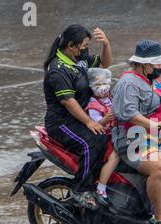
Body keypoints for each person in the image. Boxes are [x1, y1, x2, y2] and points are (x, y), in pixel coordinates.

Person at [112, 40, 161, 224]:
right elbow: (129, 114)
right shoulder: (128, 83)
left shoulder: (153, 80)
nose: (160, 67)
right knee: (160, 167)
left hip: (155, 133)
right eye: (157, 64)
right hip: (131, 138)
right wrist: (155, 126)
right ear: (144, 65)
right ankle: (159, 215)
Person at [43, 24, 113, 209]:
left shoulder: (78, 58)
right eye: (83, 46)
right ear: (71, 45)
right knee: (93, 142)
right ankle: (81, 190)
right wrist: (90, 122)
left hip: (80, 115)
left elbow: (105, 64)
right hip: (62, 122)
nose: (85, 50)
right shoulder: (58, 69)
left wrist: (106, 44)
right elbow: (68, 101)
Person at [85, 67, 120, 207]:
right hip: (106, 137)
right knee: (116, 155)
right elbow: (95, 124)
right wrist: (106, 119)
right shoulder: (93, 104)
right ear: (90, 86)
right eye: (97, 85)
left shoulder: (111, 97)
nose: (102, 88)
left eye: (105, 83)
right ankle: (101, 187)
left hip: (119, 132)